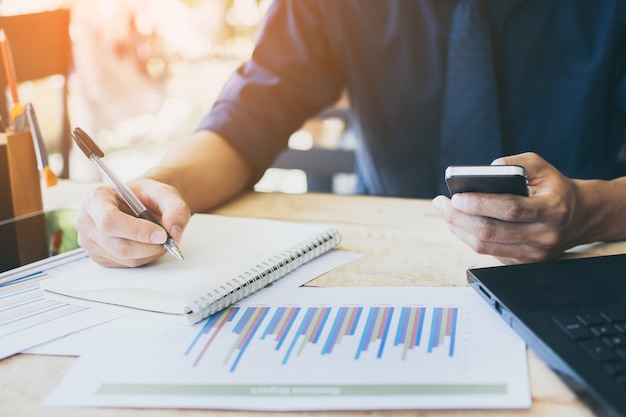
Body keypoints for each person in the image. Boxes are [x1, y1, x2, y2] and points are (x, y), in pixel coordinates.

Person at [74, 0, 626, 268]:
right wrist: (153, 189)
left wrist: (593, 210)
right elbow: (251, 114)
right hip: (381, 261)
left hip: (587, 261)